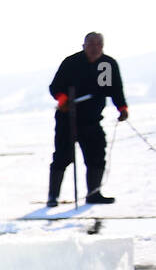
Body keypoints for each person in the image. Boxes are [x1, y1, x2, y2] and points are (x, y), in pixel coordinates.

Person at [47, 32, 129, 206]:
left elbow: (114, 89)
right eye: (91, 44)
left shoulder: (107, 64)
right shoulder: (71, 63)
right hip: (67, 118)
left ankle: (93, 194)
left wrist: (122, 107)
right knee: (63, 156)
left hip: (91, 120)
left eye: (99, 44)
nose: (95, 47)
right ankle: (52, 197)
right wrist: (63, 100)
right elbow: (55, 87)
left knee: (96, 154)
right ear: (84, 45)